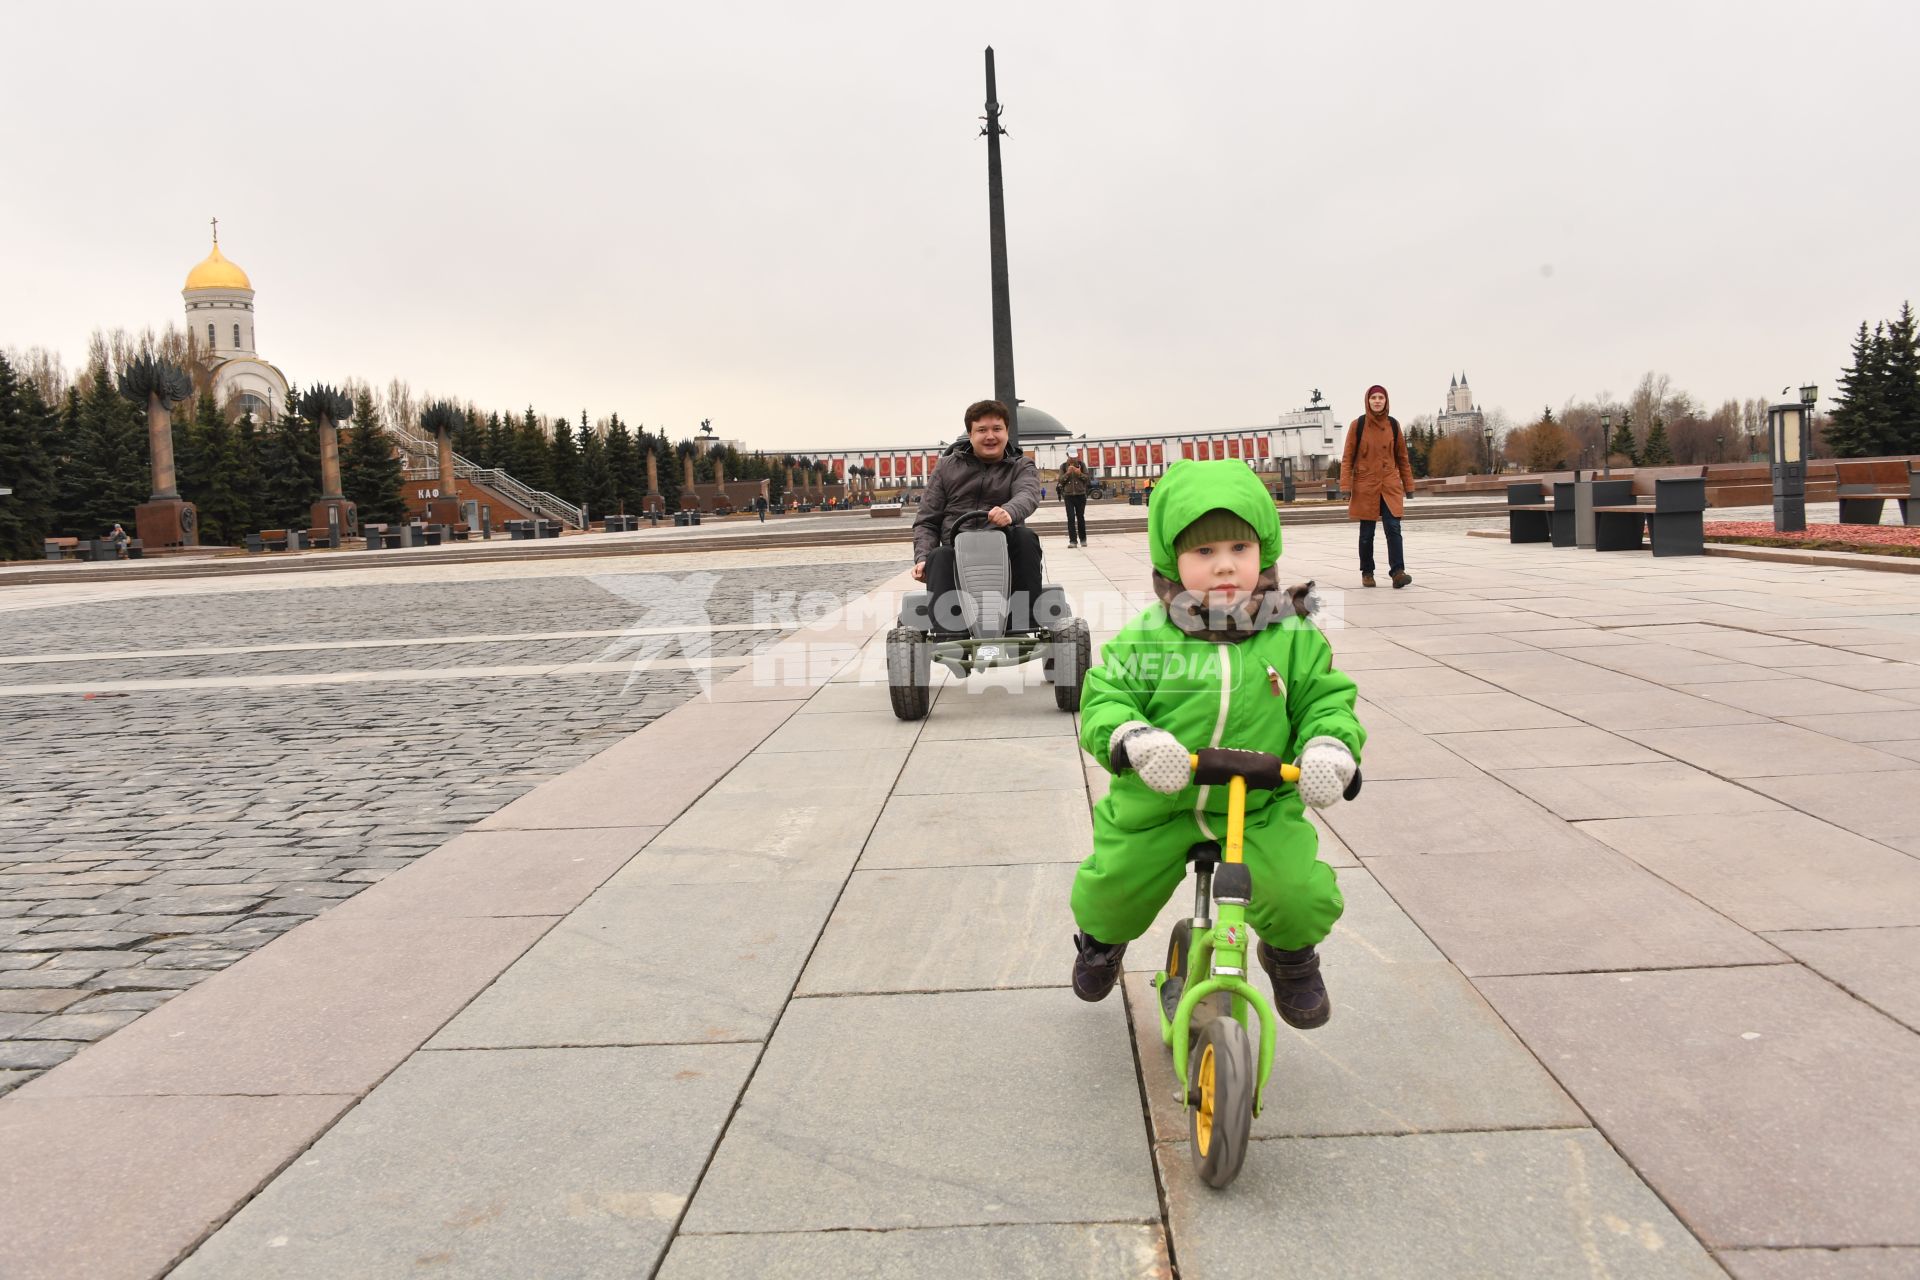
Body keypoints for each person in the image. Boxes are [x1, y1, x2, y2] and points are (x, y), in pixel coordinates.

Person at [1068, 459, 1365, 1030]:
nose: (1225, 564)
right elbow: (1106, 696)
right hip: (1159, 803)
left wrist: (1330, 744)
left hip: (1258, 807)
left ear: (1264, 554)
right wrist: (1134, 737)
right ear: (1171, 562)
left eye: (1239, 548)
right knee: (1114, 886)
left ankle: (1290, 954)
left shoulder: (1294, 636)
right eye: (1203, 553)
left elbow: (1325, 699)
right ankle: (1100, 941)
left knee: (1298, 894)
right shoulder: (1148, 638)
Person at [912, 400, 1043, 629]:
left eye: (997, 429)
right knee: (938, 557)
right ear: (970, 435)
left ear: (1007, 432)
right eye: (982, 430)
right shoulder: (945, 468)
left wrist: (1009, 511)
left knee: (1026, 538)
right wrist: (922, 558)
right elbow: (927, 520)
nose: (990, 436)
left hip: (1005, 547)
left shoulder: (1022, 466)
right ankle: (951, 635)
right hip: (957, 549)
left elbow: (1028, 495)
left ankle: (1023, 623)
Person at [1340, 385, 1415, 588]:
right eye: (1374, 397)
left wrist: (1409, 486)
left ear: (1386, 400)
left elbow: (1402, 458)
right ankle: (1367, 571)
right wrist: (1346, 486)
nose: (1377, 401)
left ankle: (1398, 572)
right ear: (1368, 400)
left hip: (1390, 485)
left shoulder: (1393, 424)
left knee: (1393, 527)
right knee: (1367, 533)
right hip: (1366, 485)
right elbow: (1347, 458)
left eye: (1381, 397)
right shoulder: (1358, 425)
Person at [1058, 456, 1090, 548]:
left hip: (1080, 495)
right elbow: (1060, 480)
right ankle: (1073, 541)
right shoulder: (1063, 466)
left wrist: (1079, 473)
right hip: (1068, 496)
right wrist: (1067, 473)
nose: (1073, 459)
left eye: (1075, 457)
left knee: (1080, 517)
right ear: (1068, 456)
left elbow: (1087, 479)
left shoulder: (1081, 465)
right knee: (1071, 518)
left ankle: (1083, 539)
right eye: (1071, 457)